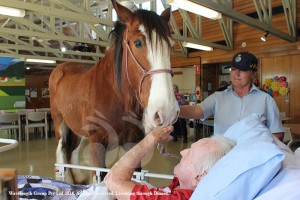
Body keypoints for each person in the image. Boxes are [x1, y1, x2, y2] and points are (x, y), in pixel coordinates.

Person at [104, 125, 236, 200]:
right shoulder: (181, 185)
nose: (182, 152)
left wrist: (151, 138)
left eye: (189, 153)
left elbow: (112, 180)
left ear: (199, 177)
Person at [179, 52, 285, 141]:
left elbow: (277, 133)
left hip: (252, 159)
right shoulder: (218, 96)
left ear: (253, 74)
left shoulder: (266, 100)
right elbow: (197, 110)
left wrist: (261, 152)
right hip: (222, 157)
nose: (236, 74)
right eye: (233, 69)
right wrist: (174, 111)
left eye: (242, 70)